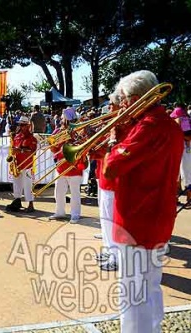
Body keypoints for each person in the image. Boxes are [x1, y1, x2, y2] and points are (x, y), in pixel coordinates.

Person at [103, 70, 183, 333]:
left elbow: (111, 168)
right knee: (150, 285)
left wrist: (114, 141)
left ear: (136, 98)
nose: (121, 105)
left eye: (124, 99)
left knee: (132, 291)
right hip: (159, 217)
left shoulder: (147, 126)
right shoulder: (170, 125)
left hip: (137, 219)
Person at [89, 93, 121, 271]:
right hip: (103, 178)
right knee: (105, 217)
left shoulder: (120, 126)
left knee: (112, 219)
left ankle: (116, 257)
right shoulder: (111, 126)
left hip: (113, 180)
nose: (109, 109)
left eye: (111, 106)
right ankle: (110, 251)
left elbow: (115, 151)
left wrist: (101, 150)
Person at [6, 116, 37, 213]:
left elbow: (33, 152)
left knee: (28, 185)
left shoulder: (32, 138)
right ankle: (17, 201)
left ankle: (31, 204)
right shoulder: (17, 136)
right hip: (17, 164)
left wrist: (19, 150)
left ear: (28, 126)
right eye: (19, 124)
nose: (20, 126)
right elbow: (13, 147)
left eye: (23, 125)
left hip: (27, 165)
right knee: (16, 184)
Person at [170, 103, 191, 204]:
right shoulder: (185, 119)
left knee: (175, 174)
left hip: (173, 149)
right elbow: (188, 137)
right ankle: (188, 198)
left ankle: (175, 198)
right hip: (184, 149)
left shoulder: (170, 120)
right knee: (186, 173)